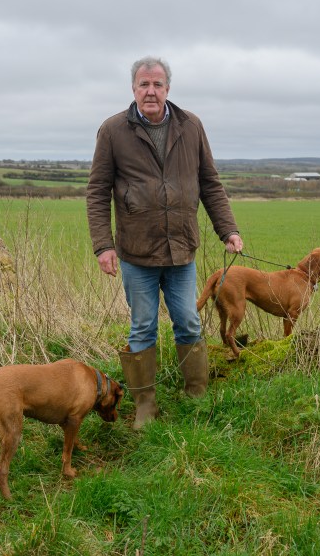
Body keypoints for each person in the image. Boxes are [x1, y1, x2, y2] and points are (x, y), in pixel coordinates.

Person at [86, 56, 243, 429]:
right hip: (136, 252)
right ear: (134, 89)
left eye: (157, 84)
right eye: (144, 84)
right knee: (143, 326)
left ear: (168, 89)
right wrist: (103, 246)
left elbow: (210, 183)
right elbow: (97, 191)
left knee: (188, 321)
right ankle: (145, 406)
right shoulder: (113, 130)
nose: (151, 91)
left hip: (181, 250)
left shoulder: (191, 126)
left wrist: (228, 230)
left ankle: (196, 396)